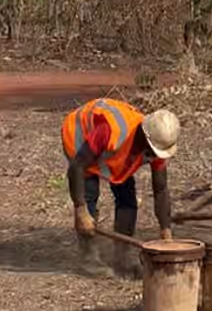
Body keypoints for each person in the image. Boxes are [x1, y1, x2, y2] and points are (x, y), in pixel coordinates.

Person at [62, 99, 179, 277]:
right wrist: (81, 210)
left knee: (127, 197)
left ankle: (121, 257)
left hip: (110, 149)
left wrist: (166, 231)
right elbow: (77, 168)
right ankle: (89, 259)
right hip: (79, 139)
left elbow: (161, 189)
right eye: (153, 151)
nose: (154, 156)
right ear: (145, 138)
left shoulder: (158, 142)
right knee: (88, 194)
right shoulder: (111, 131)